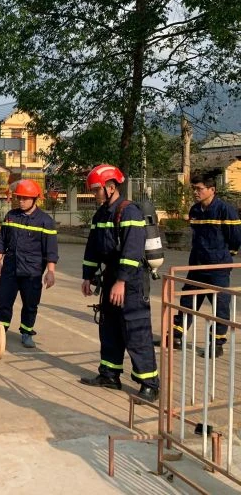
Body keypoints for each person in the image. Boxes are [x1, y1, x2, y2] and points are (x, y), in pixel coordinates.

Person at [80, 164, 159, 402]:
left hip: (131, 281)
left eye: (97, 190)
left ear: (111, 187)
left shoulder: (129, 212)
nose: (94, 194)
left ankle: (149, 384)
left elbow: (132, 250)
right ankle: (109, 374)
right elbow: (93, 247)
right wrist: (88, 275)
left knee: (135, 330)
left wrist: (122, 281)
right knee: (109, 328)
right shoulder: (101, 214)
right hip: (111, 278)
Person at [171, 172, 241, 358]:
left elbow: (235, 238)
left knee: (220, 304)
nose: (195, 192)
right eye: (194, 189)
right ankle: (176, 336)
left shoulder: (225, 210)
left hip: (217, 268)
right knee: (188, 301)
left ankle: (216, 343)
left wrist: (224, 255)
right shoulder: (195, 210)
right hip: (196, 265)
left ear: (212, 190)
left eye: (199, 189)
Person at [0, 179, 58, 348]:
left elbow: (51, 249)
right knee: (3, 300)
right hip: (10, 268)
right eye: (19, 197)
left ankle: (27, 332)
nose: (20, 201)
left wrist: (50, 271)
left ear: (35, 199)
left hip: (32, 271)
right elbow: (2, 240)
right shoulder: (11, 216)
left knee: (30, 304)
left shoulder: (45, 221)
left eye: (24, 198)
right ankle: (0, 331)